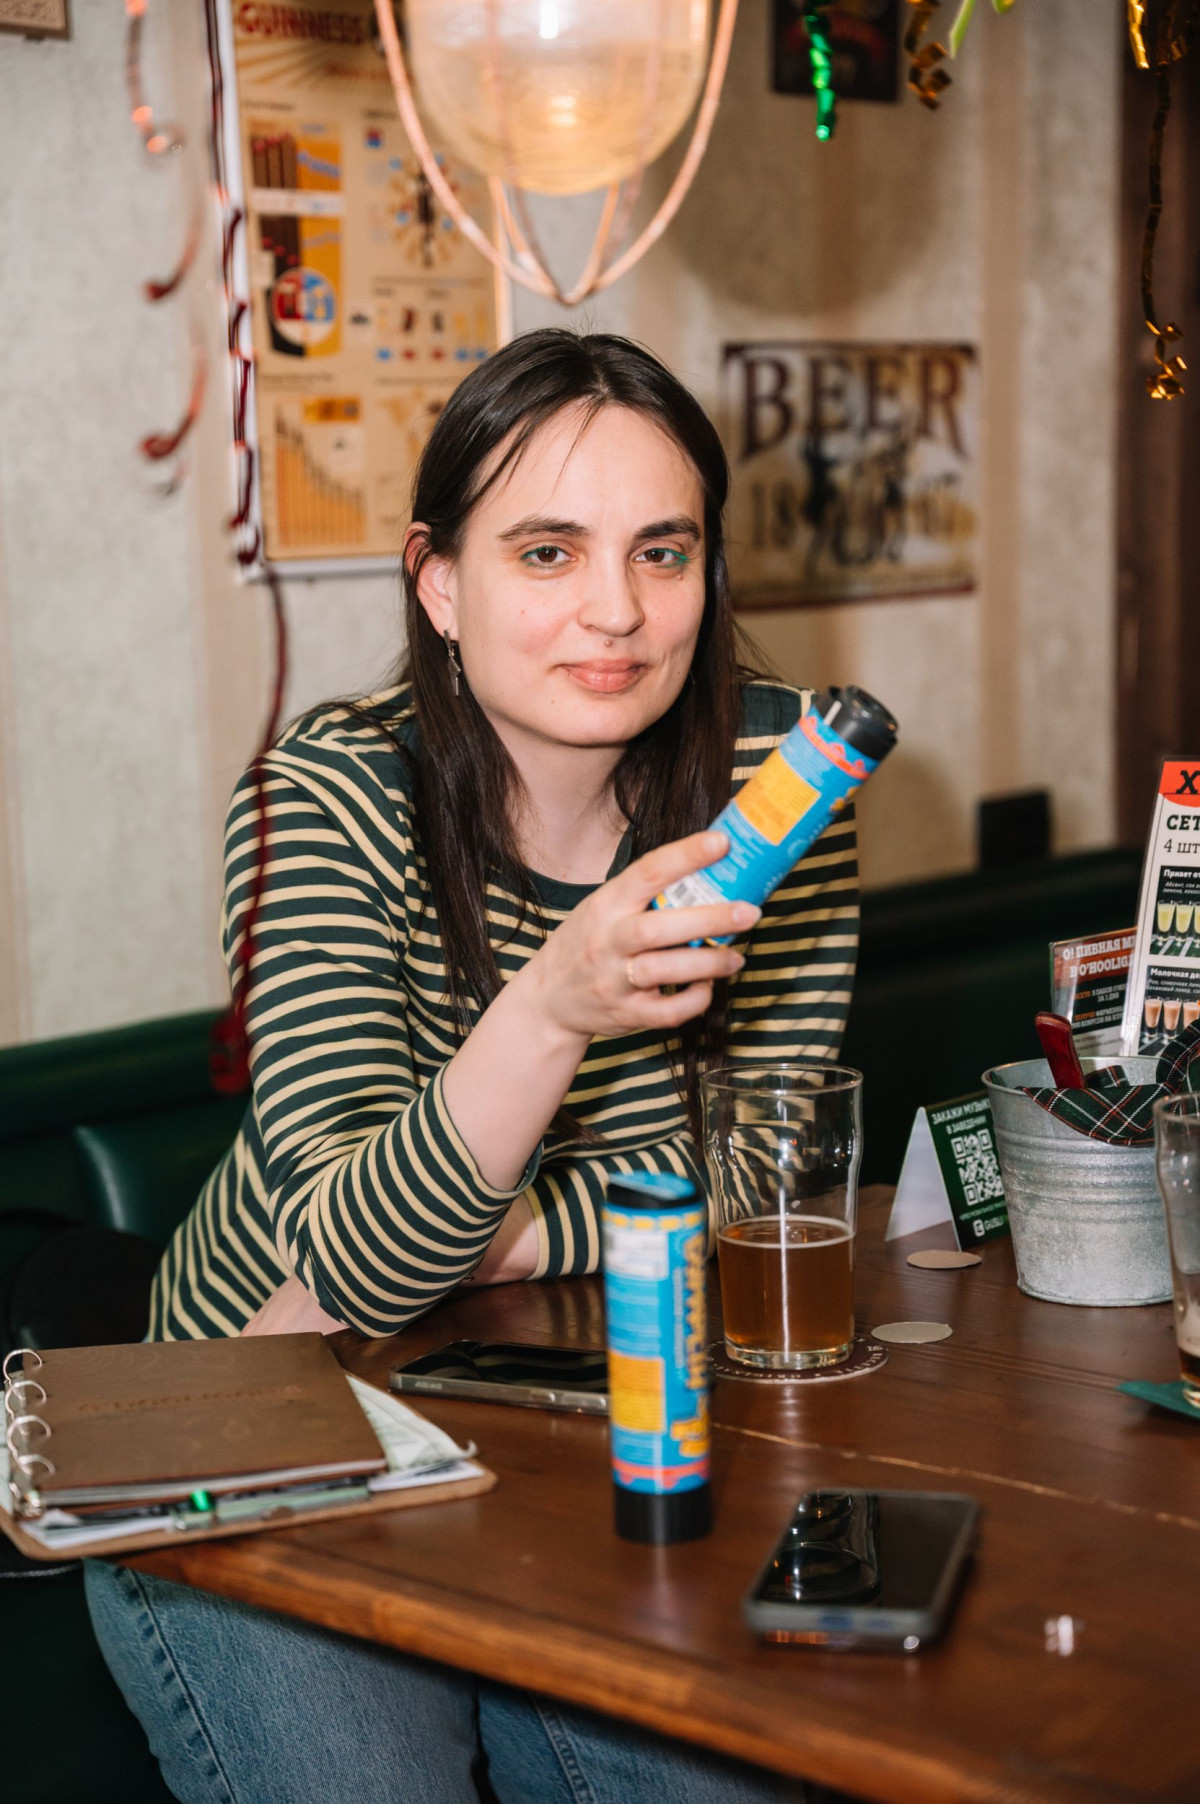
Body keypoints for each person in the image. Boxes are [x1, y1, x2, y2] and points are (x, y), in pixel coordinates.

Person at [86, 329, 859, 1804]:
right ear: (440, 582)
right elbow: (357, 1267)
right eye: (548, 552)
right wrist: (551, 1008)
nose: (617, 610)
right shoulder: (327, 796)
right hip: (258, 1428)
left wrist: (489, 1232)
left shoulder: (782, 781)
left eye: (663, 551)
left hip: (575, 1412)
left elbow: (758, 1175)